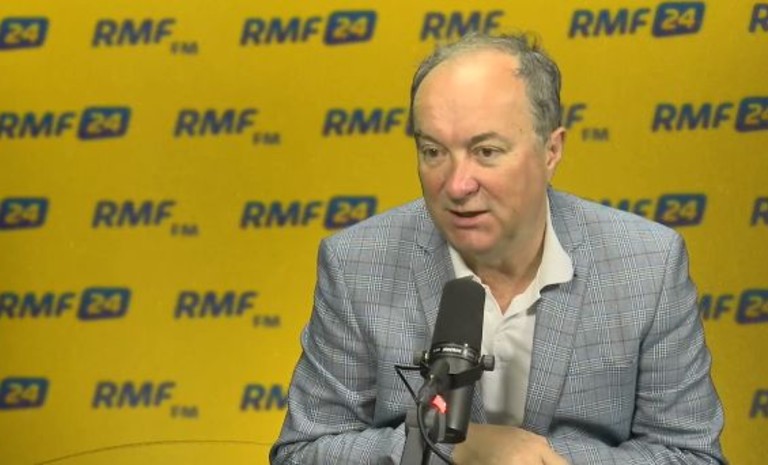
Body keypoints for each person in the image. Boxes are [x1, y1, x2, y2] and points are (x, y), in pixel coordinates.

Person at [270, 32, 726, 464]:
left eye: (486, 151)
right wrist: (448, 448)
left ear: (551, 151)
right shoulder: (356, 264)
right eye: (433, 152)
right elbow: (303, 453)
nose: (456, 185)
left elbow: (690, 455)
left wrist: (535, 458)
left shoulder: (648, 264)